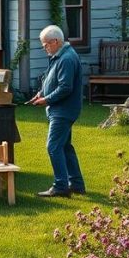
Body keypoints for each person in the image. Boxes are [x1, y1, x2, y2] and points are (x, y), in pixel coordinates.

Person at [29, 24, 86, 198]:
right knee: (65, 146)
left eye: (45, 44)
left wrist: (46, 99)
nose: (44, 48)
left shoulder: (67, 58)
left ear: (55, 41)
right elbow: (51, 78)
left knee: (53, 146)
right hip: (62, 110)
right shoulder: (60, 55)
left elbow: (65, 88)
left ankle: (60, 186)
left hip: (63, 111)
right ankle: (76, 184)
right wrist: (41, 92)